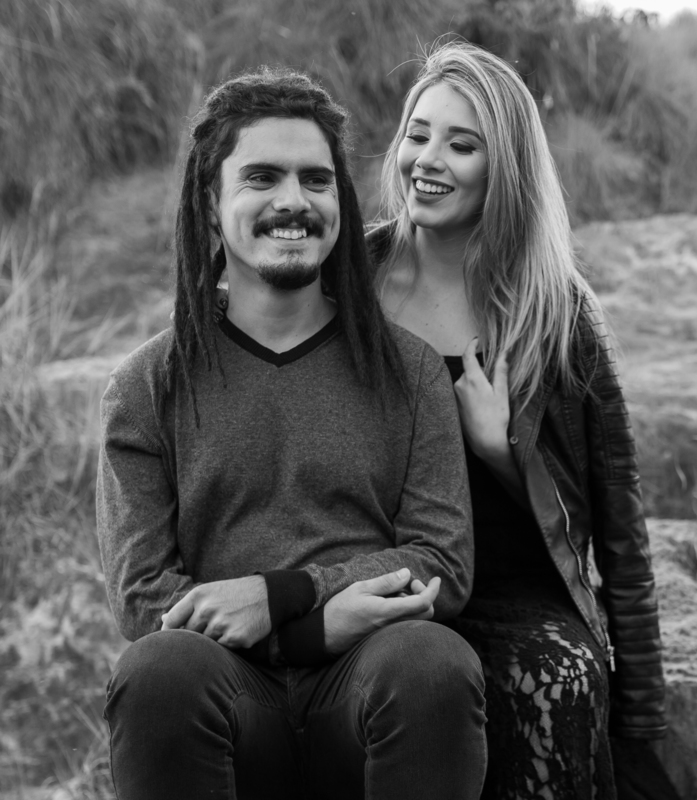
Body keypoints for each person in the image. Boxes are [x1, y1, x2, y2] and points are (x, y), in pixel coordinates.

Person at [96, 67, 486, 800]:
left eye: (316, 180)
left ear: (340, 202)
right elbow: (143, 594)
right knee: (156, 670)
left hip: (367, 687)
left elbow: (443, 561)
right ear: (210, 205)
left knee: (432, 661)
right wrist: (305, 634)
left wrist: (288, 593)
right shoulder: (146, 386)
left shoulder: (410, 371)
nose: (293, 202)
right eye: (261, 178)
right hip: (228, 697)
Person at [370, 41, 668, 799]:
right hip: (380, 584)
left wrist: (503, 453)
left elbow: (621, 533)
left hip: (515, 594)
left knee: (557, 680)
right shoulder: (352, 281)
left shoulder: (557, 311)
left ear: (504, 168)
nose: (428, 160)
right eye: (418, 134)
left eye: (462, 145)